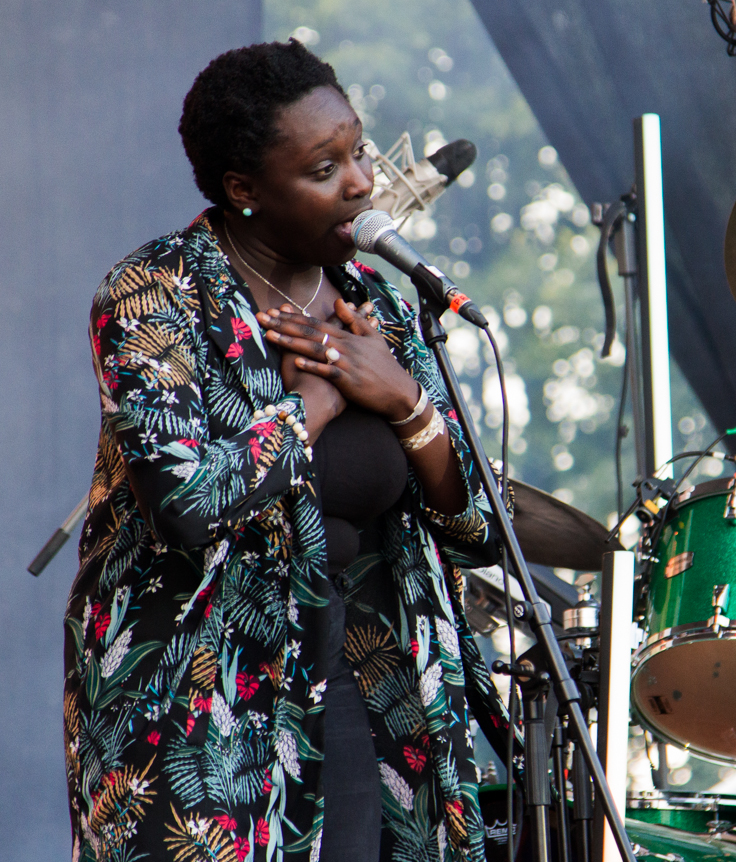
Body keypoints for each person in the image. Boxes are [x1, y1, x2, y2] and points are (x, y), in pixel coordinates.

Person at [65, 41, 513, 862]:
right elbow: (186, 503)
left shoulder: (379, 307)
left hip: (361, 692)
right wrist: (318, 401)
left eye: (359, 152)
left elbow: (479, 528)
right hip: (196, 703)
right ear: (244, 189)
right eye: (324, 168)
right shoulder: (154, 293)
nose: (362, 182)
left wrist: (406, 402)